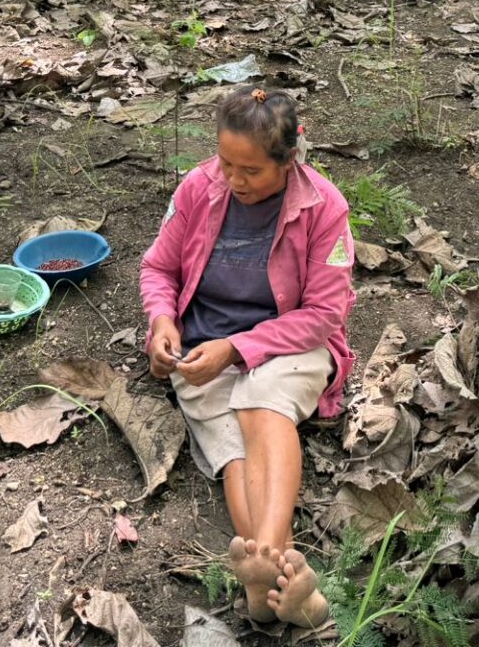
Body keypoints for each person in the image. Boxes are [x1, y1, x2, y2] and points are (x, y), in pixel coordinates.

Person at [140, 87, 355, 629]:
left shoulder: (323, 207)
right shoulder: (198, 187)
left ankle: (264, 572)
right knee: (231, 452)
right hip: (202, 346)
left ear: (289, 161)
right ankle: (283, 586)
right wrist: (163, 321)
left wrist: (239, 348)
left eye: (251, 170)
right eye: (225, 162)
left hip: (288, 344)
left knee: (262, 406)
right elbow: (158, 269)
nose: (233, 180)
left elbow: (324, 313)